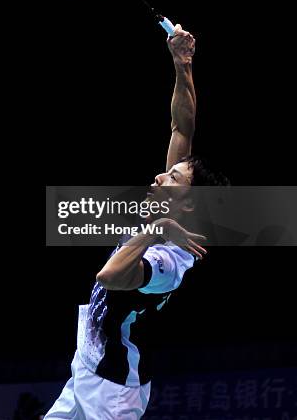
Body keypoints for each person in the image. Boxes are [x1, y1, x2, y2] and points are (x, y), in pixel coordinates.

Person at [44, 26, 229, 419]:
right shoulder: (167, 209)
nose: (160, 176)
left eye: (173, 178)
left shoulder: (167, 263)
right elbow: (183, 127)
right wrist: (183, 64)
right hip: (88, 365)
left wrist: (154, 231)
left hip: (113, 389)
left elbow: (107, 277)